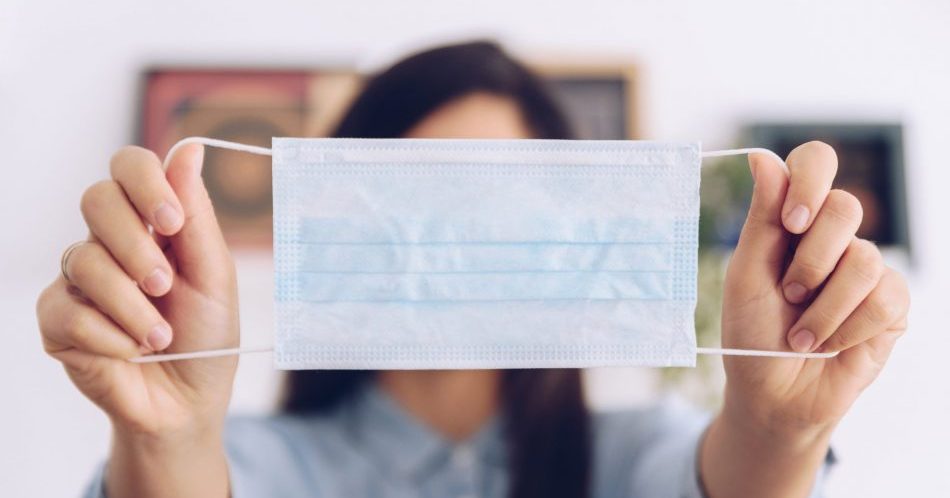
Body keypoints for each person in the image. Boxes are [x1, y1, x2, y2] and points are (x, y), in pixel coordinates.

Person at [35, 41, 910, 498]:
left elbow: (733, 481)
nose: (455, 242)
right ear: (340, 211)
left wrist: (778, 429)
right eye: (414, 194)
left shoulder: (642, 454)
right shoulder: (257, 465)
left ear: (571, 236)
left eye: (501, 204)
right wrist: (168, 436)